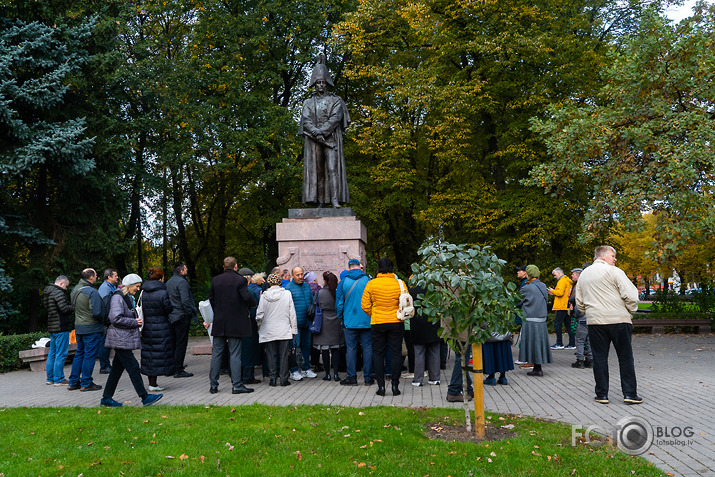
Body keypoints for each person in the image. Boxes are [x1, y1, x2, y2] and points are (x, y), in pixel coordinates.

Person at [575, 245, 641, 405]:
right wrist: (630, 312)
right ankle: (630, 394)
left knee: (599, 358)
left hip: (595, 322)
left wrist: (591, 312)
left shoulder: (583, 276)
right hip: (618, 320)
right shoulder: (615, 272)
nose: (615, 259)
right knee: (625, 358)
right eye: (613, 255)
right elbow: (631, 295)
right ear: (603, 255)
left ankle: (602, 394)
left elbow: (580, 302)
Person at [100, 274, 163, 407]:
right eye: (136, 286)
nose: (138, 289)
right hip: (120, 339)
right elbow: (115, 318)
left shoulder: (125, 297)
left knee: (116, 370)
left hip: (122, 338)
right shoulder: (118, 298)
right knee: (134, 367)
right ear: (129, 286)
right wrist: (134, 321)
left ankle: (106, 399)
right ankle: (144, 397)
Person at [298, 53, 350, 208]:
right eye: (318, 82)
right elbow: (306, 120)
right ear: (315, 84)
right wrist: (316, 133)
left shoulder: (336, 101)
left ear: (326, 83)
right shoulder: (308, 102)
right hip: (315, 141)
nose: (320, 85)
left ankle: (334, 200)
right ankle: (320, 201)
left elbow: (335, 118)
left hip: (331, 139)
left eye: (323, 82)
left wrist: (321, 132)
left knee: (333, 169)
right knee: (318, 171)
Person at [208, 257, 257, 394]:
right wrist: (253, 304)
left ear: (224, 266)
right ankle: (236, 385)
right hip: (236, 322)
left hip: (219, 321)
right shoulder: (240, 280)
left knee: (217, 353)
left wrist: (218, 311)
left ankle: (213, 385)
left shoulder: (215, 280)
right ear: (235, 266)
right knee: (235, 353)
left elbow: (211, 299)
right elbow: (246, 297)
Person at [361, 257, 406, 397]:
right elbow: (406, 302)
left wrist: (374, 313)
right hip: (396, 322)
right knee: (395, 354)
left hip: (378, 323)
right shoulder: (400, 283)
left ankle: (381, 387)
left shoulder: (371, 284)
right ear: (392, 269)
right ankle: (395, 386)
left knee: (378, 354)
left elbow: (365, 305)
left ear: (378, 269)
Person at [336, 258, 373, 386]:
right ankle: (368, 378)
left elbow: (340, 303)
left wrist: (341, 316)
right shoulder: (368, 280)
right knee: (368, 348)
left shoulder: (343, 282)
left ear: (349, 268)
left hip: (350, 320)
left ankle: (352, 377)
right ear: (360, 267)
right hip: (366, 320)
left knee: (351, 349)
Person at [256, 273, 297, 387]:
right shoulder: (287, 294)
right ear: (280, 282)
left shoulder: (264, 296)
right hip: (284, 329)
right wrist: (293, 330)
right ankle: (284, 379)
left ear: (269, 283)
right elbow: (292, 313)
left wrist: (260, 326)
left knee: (271, 354)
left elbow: (259, 314)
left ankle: (273, 378)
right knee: (284, 355)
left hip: (268, 329)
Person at [68, 268, 104, 392]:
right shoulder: (91, 292)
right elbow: (96, 312)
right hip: (92, 328)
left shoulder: (74, 290)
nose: (96, 278)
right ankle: (86, 382)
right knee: (89, 356)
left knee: (79, 354)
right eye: (96, 275)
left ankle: (73, 382)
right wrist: (104, 320)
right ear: (90, 277)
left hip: (79, 328)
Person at [139, 267, 174, 392]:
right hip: (161, 326)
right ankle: (159, 379)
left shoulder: (143, 292)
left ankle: (152, 383)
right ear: (160, 278)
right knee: (161, 353)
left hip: (148, 327)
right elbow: (168, 308)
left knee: (150, 355)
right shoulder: (162, 292)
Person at [517, 265, 552, 377]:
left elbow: (517, 301)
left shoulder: (526, 288)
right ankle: (538, 368)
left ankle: (537, 369)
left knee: (531, 344)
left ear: (528, 274)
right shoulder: (543, 286)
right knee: (539, 344)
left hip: (530, 319)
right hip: (541, 319)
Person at [166, 261, 198, 378]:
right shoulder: (182, 282)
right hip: (182, 316)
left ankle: (173, 367)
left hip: (172, 316)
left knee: (174, 343)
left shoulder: (169, 282)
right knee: (181, 344)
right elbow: (185, 300)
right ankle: (178, 369)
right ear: (181, 271)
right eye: (186, 268)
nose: (187, 270)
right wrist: (189, 313)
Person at [285, 266, 317, 381]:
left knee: (306, 346)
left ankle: (305, 368)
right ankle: (294, 370)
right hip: (295, 324)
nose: (300, 277)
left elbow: (311, 300)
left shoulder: (307, 286)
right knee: (294, 347)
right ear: (293, 276)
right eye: (297, 275)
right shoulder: (288, 288)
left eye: (302, 274)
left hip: (306, 322)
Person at [312, 271, 345, 381]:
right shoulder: (337, 292)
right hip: (336, 322)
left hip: (323, 322)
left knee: (325, 349)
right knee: (335, 348)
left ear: (325, 281)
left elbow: (315, 306)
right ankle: (336, 374)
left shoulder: (319, 293)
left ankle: (327, 374)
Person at [43, 275, 73, 386]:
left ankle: (50, 378)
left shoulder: (48, 292)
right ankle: (59, 379)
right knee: (61, 354)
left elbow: (48, 309)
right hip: (61, 326)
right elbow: (64, 309)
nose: (66, 288)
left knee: (52, 353)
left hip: (52, 326)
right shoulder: (59, 293)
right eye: (66, 286)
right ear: (61, 283)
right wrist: (74, 306)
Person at [409, 282, 440, 387]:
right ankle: (435, 378)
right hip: (433, 323)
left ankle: (418, 379)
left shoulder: (412, 291)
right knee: (435, 351)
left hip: (418, 324)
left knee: (419, 353)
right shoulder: (435, 290)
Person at [239, 267, 261, 385]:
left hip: (237, 325)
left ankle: (240, 375)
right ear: (248, 278)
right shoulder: (250, 292)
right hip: (249, 324)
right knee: (249, 350)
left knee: (239, 350)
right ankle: (248, 377)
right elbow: (254, 310)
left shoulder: (234, 290)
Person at [568, 267, 593, 369]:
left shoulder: (580, 287)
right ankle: (590, 360)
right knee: (589, 340)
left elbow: (579, 306)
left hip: (582, 318)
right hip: (591, 317)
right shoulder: (592, 287)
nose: (572, 276)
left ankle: (580, 360)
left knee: (580, 340)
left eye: (573, 274)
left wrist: (575, 314)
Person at [97, 268, 119, 374]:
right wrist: (108, 321)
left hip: (108, 320)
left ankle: (107, 365)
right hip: (106, 321)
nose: (117, 277)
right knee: (105, 344)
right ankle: (104, 366)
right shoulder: (105, 288)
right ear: (109, 277)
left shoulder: (110, 287)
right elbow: (105, 306)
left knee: (107, 343)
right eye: (115, 275)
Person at [548, 267, 574, 350]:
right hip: (566, 305)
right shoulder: (568, 280)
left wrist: (552, 291)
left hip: (561, 306)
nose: (554, 277)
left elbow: (560, 292)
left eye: (555, 275)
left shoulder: (562, 281)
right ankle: (572, 343)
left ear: (559, 273)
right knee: (568, 325)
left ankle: (559, 343)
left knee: (557, 324)